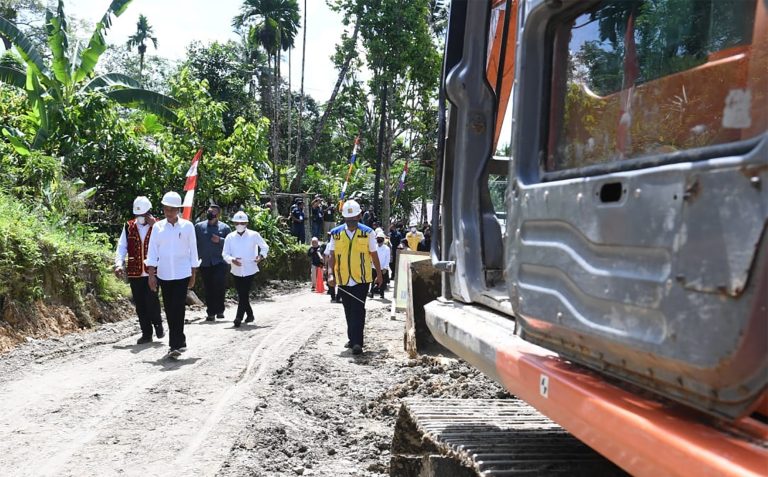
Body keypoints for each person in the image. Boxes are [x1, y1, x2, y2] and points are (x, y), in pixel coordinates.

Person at [146, 191, 199, 359]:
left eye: (172, 209)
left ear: (178, 209)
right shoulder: (157, 227)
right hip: (164, 274)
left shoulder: (188, 226)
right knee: (169, 309)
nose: (169, 212)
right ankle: (180, 339)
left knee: (178, 307)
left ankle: (174, 345)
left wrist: (193, 273)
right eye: (166, 209)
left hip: (182, 273)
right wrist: (151, 274)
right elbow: (152, 251)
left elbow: (193, 250)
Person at [327, 200, 384, 355]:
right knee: (348, 309)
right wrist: (330, 273)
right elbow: (331, 255)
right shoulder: (336, 234)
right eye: (348, 219)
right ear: (344, 218)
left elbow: (374, 254)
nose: (351, 222)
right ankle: (352, 339)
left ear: (359, 216)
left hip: (362, 279)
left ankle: (358, 342)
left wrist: (379, 275)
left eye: (353, 219)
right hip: (343, 278)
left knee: (358, 309)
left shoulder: (368, 233)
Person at [114, 196, 164, 344]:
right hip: (135, 271)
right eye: (138, 215)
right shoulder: (128, 227)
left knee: (152, 300)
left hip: (153, 271)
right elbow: (122, 246)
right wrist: (119, 263)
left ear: (149, 212)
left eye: (143, 215)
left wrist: (155, 225)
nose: (140, 218)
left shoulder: (159, 225)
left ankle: (158, 323)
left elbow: (166, 242)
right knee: (140, 303)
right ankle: (146, 333)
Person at [222, 211, 269, 327]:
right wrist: (232, 260)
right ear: (234, 223)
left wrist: (261, 256)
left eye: (242, 223)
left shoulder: (254, 235)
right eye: (237, 223)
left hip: (250, 268)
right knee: (242, 293)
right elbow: (225, 254)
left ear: (246, 223)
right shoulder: (230, 237)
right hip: (236, 270)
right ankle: (250, 314)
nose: (240, 225)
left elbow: (265, 247)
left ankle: (238, 317)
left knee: (244, 293)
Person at [195, 203, 231, 321]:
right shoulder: (199, 227)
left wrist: (220, 240)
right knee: (208, 287)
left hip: (220, 262)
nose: (210, 213)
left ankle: (220, 310)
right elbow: (193, 243)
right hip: (205, 262)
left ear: (218, 214)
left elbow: (231, 244)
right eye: (209, 211)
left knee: (219, 285)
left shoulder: (225, 228)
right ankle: (210, 312)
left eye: (213, 211)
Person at [369, 231, 391, 299]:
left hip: (382, 268)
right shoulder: (374, 247)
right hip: (374, 267)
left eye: (380, 238)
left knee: (382, 282)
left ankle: (382, 294)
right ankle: (371, 293)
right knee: (372, 281)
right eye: (378, 238)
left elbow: (387, 259)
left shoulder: (387, 248)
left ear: (383, 239)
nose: (379, 239)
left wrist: (385, 267)